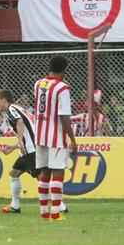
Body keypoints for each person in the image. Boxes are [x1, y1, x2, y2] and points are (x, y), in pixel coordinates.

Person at [0, 90, 69, 215]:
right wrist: (14, 147)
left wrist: (19, 141)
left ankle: (60, 205)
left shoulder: (11, 109)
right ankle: (15, 206)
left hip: (32, 149)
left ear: (4, 100)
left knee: (41, 178)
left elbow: (20, 123)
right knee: (14, 173)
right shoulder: (19, 108)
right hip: (31, 148)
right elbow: (29, 131)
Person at [34, 56, 77, 221]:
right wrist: (72, 139)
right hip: (56, 136)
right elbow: (64, 116)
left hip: (40, 134)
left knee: (44, 171)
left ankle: (44, 212)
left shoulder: (38, 84)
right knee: (58, 171)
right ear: (64, 70)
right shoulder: (62, 88)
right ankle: (56, 213)